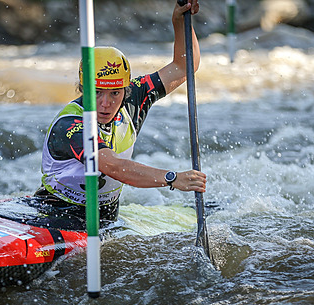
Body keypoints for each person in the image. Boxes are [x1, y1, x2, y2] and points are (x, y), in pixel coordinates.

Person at [35, 0, 206, 224]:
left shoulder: (134, 96)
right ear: (83, 88)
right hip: (54, 216)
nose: (105, 103)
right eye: (96, 93)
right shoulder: (70, 126)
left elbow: (184, 67)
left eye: (115, 93)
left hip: (107, 220)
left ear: (125, 90)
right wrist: (172, 178)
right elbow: (114, 166)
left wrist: (179, 21)